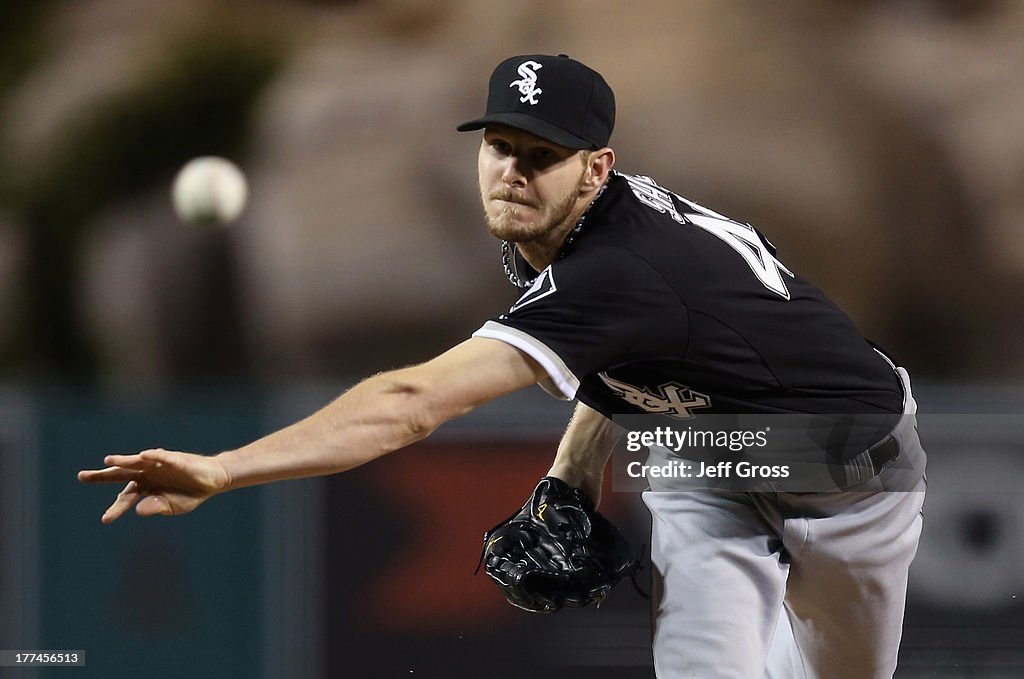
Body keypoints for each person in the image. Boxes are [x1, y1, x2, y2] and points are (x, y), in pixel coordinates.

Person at [79, 54, 927, 678]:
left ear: (597, 167)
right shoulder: (559, 238)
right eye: (500, 145)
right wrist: (569, 476)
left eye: (542, 155)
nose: (513, 172)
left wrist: (225, 468)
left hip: (844, 457)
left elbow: (412, 402)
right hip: (704, 450)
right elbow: (624, 353)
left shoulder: (619, 269)